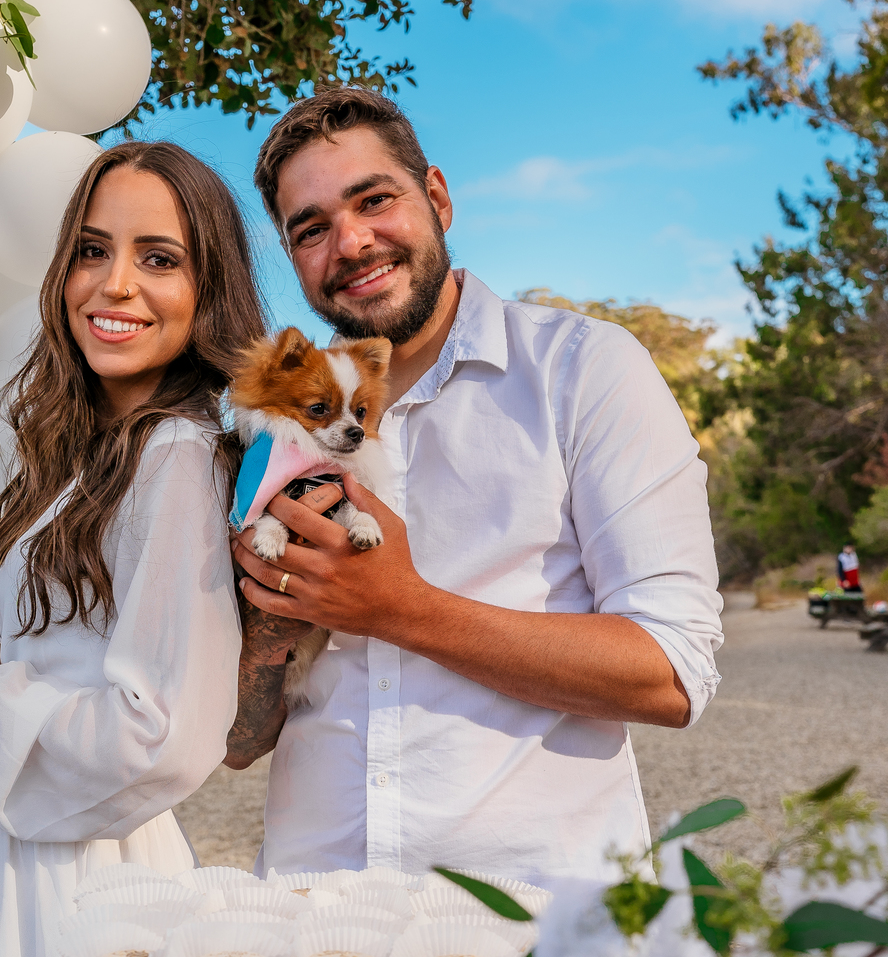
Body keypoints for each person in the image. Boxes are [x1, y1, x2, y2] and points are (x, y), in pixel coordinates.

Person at [226, 88, 723, 882]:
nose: (351, 242)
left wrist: (401, 608)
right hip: (313, 905)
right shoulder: (269, 432)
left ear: (438, 197)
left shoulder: (582, 370)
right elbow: (237, 747)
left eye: (374, 200)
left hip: (536, 912)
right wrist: (268, 634)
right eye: (310, 229)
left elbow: (671, 671)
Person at [0, 141, 265, 957]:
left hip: (86, 882)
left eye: (159, 258)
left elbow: (165, 735)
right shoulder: (92, 457)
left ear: (209, 291)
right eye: (91, 249)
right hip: (31, 859)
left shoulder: (175, 458)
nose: (115, 284)